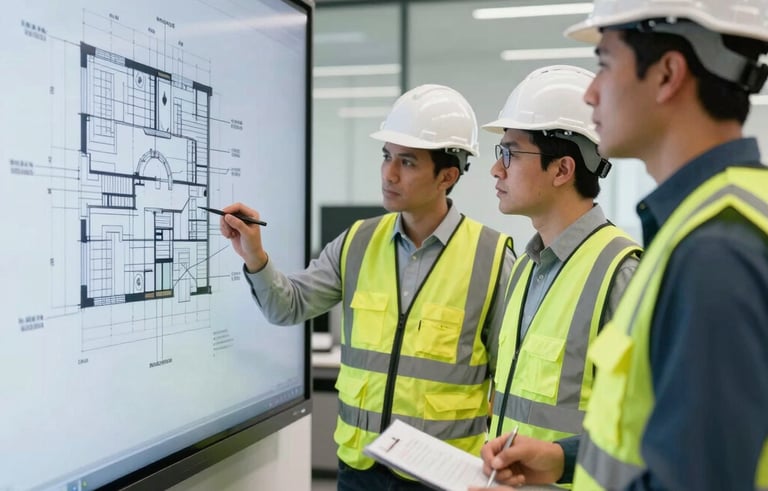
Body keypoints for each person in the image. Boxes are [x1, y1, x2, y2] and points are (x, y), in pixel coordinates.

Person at [474, 1, 768, 490]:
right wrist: (562, 459)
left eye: (605, 63)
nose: (590, 92)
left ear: (668, 73)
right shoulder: (711, 221)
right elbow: (652, 438)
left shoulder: (716, 250)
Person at [219, 84, 515, 491]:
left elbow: (508, 383)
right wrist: (254, 255)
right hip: (358, 471)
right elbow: (287, 307)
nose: (389, 174)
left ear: (447, 176)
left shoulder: (492, 258)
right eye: (387, 156)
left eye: (407, 162)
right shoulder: (356, 243)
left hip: (442, 478)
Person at [482, 65, 641, 450]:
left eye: (509, 153)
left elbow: (640, 427)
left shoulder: (622, 273)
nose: (495, 169)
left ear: (563, 169)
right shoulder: (524, 268)